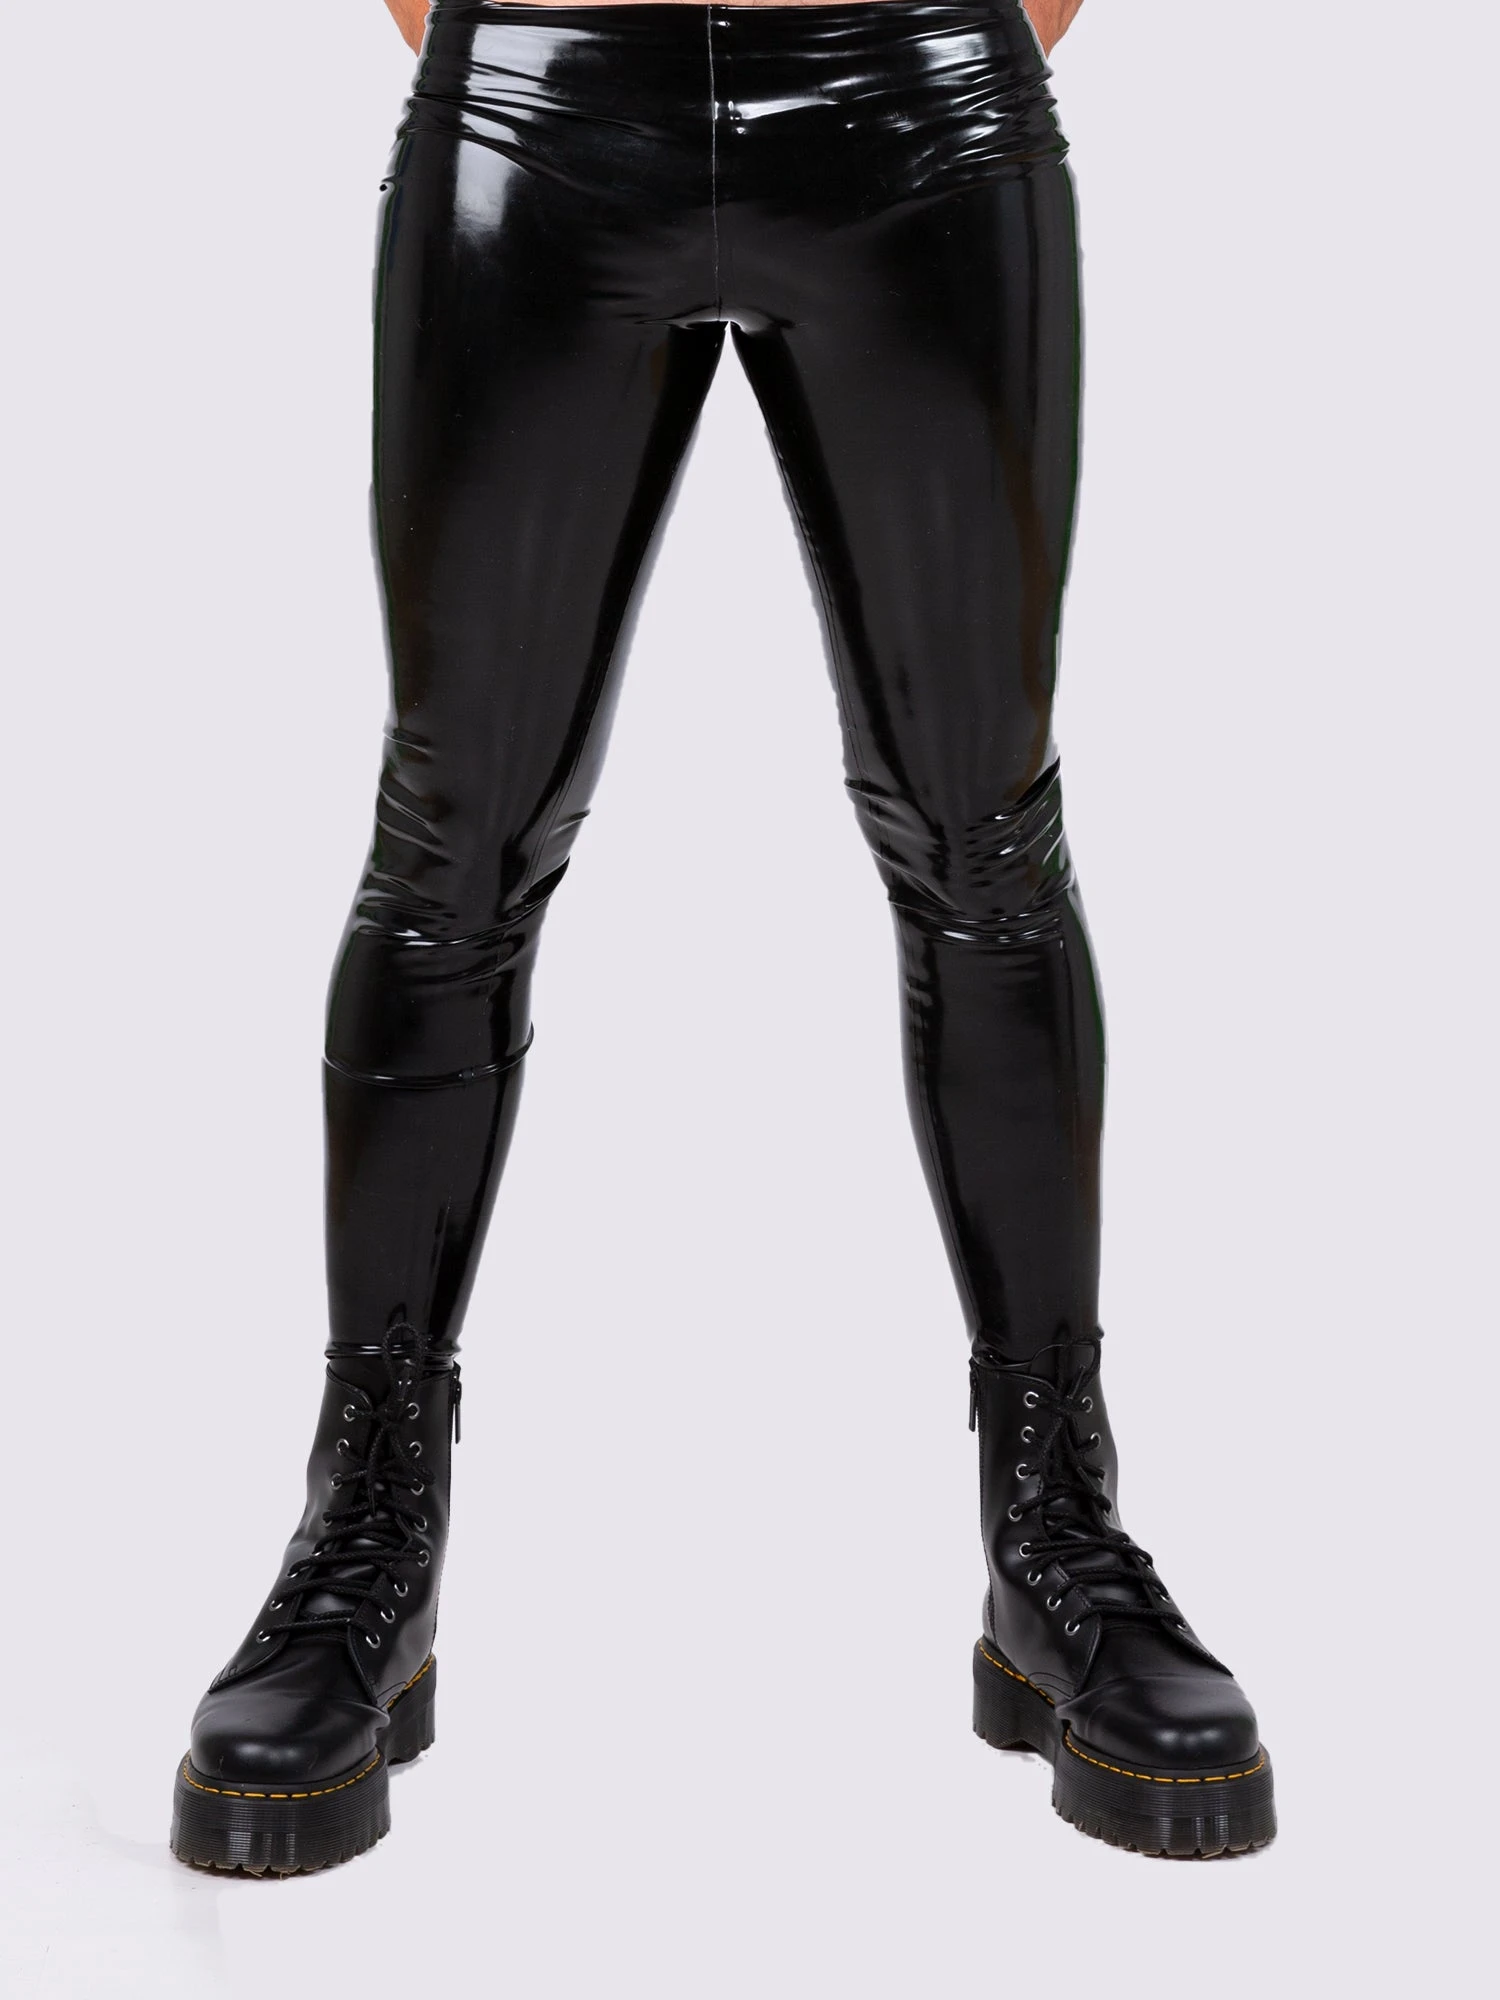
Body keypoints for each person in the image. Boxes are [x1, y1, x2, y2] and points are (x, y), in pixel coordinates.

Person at [169, 0, 1275, 1874]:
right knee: (453, 847)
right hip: (540, 94)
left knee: (983, 838)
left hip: (916, 94)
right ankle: (366, 1533)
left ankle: (1057, 1531)